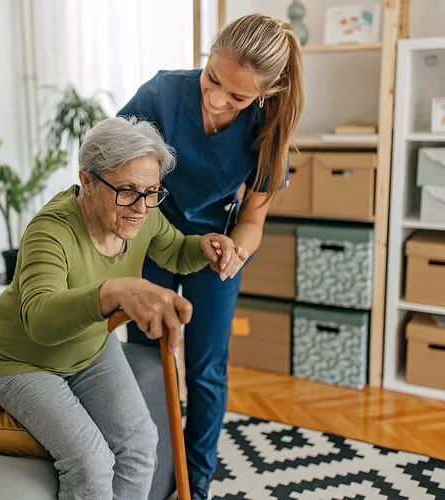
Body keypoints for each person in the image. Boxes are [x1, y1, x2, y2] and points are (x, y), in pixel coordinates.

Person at [0, 116, 245, 500]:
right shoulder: (50, 233)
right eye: (128, 191)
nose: (142, 206)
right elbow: (40, 320)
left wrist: (203, 247)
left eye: (152, 192)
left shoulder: (142, 216)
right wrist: (113, 291)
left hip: (88, 347)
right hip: (21, 360)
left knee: (139, 445)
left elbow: (173, 250)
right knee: (91, 463)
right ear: (87, 181)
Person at [119, 14, 305, 498]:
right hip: (152, 236)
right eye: (212, 78)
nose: (217, 99)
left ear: (263, 95)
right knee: (147, 356)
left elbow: (253, 220)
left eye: (238, 96)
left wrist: (236, 251)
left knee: (205, 367)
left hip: (214, 247)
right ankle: (152, 463)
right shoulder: (161, 94)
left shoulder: (269, 131)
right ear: (207, 57)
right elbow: (114, 162)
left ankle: (195, 478)